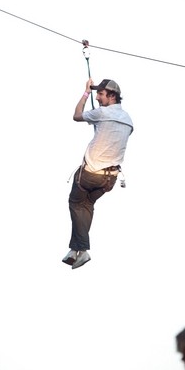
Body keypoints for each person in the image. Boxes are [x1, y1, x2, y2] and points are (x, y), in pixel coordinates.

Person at [62, 78, 133, 269]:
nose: (97, 97)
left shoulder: (101, 113)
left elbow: (76, 115)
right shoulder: (128, 120)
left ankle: (82, 249)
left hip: (90, 175)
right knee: (86, 206)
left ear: (112, 96)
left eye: (100, 94)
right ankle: (76, 250)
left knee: (76, 204)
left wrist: (86, 93)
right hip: (109, 180)